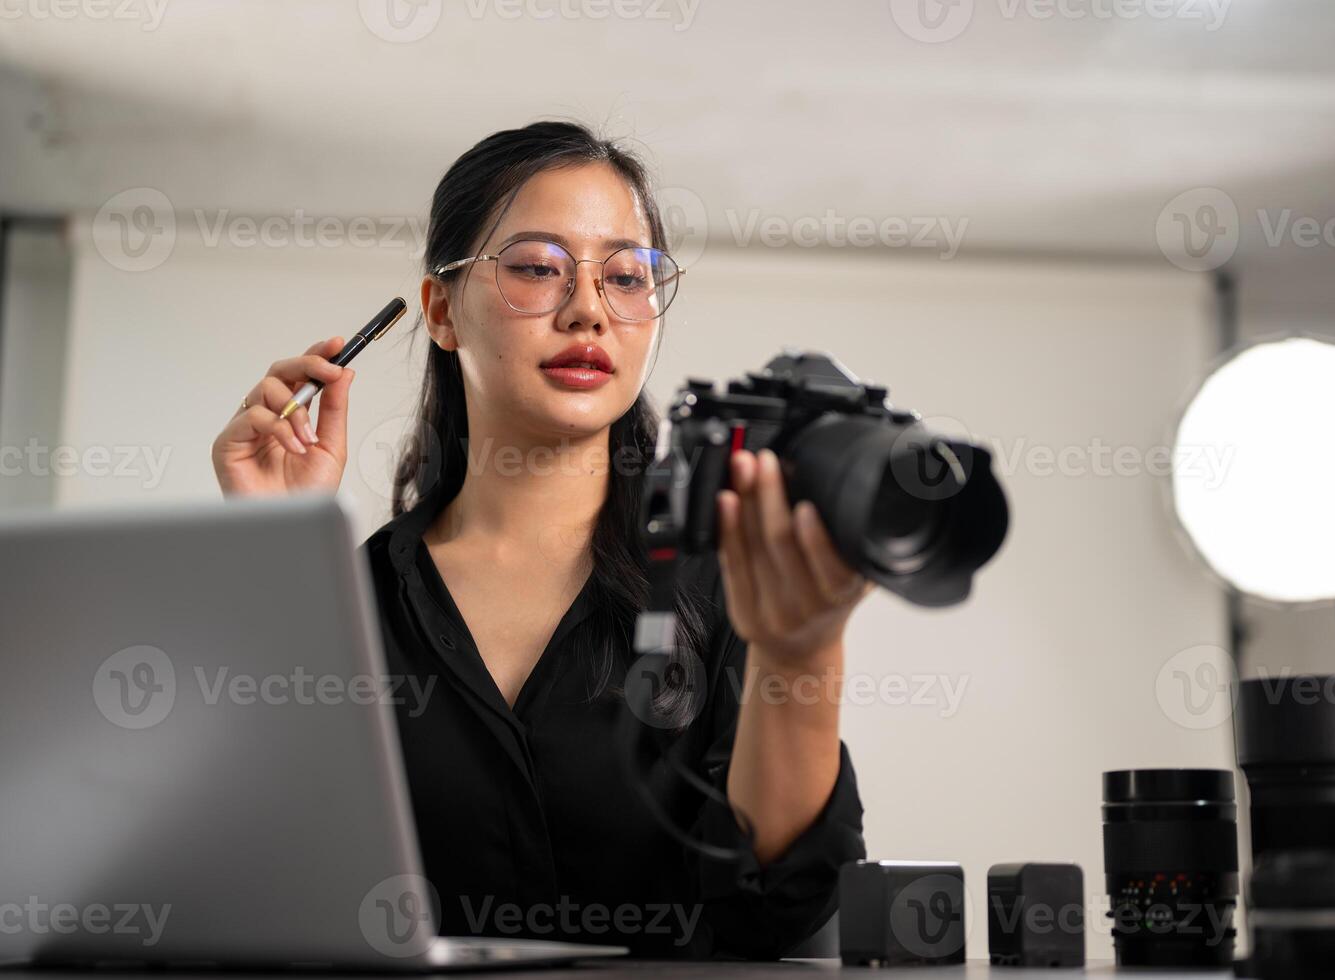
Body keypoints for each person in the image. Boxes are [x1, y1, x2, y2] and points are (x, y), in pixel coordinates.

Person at [210, 120, 869, 958]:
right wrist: (278, 551)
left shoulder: (730, 577)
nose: (588, 309)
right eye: (536, 267)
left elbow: (783, 908)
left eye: (627, 276)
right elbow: (263, 878)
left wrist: (804, 653)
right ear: (441, 311)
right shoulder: (349, 602)